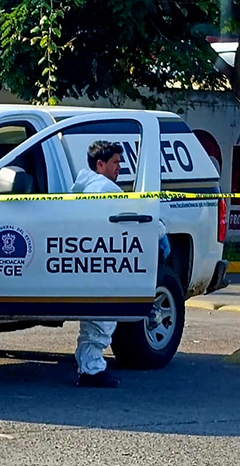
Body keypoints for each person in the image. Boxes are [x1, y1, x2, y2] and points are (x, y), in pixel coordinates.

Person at [70, 140, 170, 388]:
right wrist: (160, 231)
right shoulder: (104, 189)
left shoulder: (84, 188)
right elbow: (135, 213)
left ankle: (88, 367)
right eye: (115, 162)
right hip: (102, 266)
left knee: (94, 319)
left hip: (89, 263)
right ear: (100, 164)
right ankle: (91, 369)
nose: (120, 167)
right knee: (102, 318)